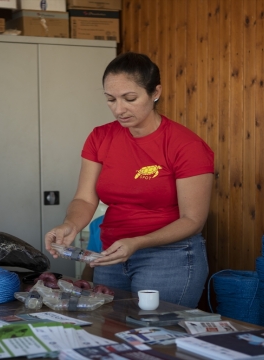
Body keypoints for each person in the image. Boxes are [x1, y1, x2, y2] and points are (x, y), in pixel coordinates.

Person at [44, 52, 214, 307]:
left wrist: (137, 243)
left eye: (130, 98)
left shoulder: (186, 145)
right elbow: (84, 198)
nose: (119, 109)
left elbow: (193, 220)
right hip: (112, 254)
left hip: (170, 257)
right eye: (110, 99)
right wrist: (70, 225)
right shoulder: (100, 137)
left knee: (157, 334)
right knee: (112, 330)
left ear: (155, 92)